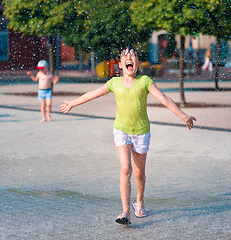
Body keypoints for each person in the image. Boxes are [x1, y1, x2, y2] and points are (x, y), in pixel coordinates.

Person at [59, 47, 196, 225]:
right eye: (126, 57)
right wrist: (72, 103)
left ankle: (139, 202)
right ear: (120, 64)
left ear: (137, 64)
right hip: (121, 130)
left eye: (133, 57)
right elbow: (92, 94)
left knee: (139, 174)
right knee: (125, 169)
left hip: (141, 132)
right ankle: (125, 212)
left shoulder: (145, 81)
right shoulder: (114, 83)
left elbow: (164, 99)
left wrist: (183, 116)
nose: (129, 58)